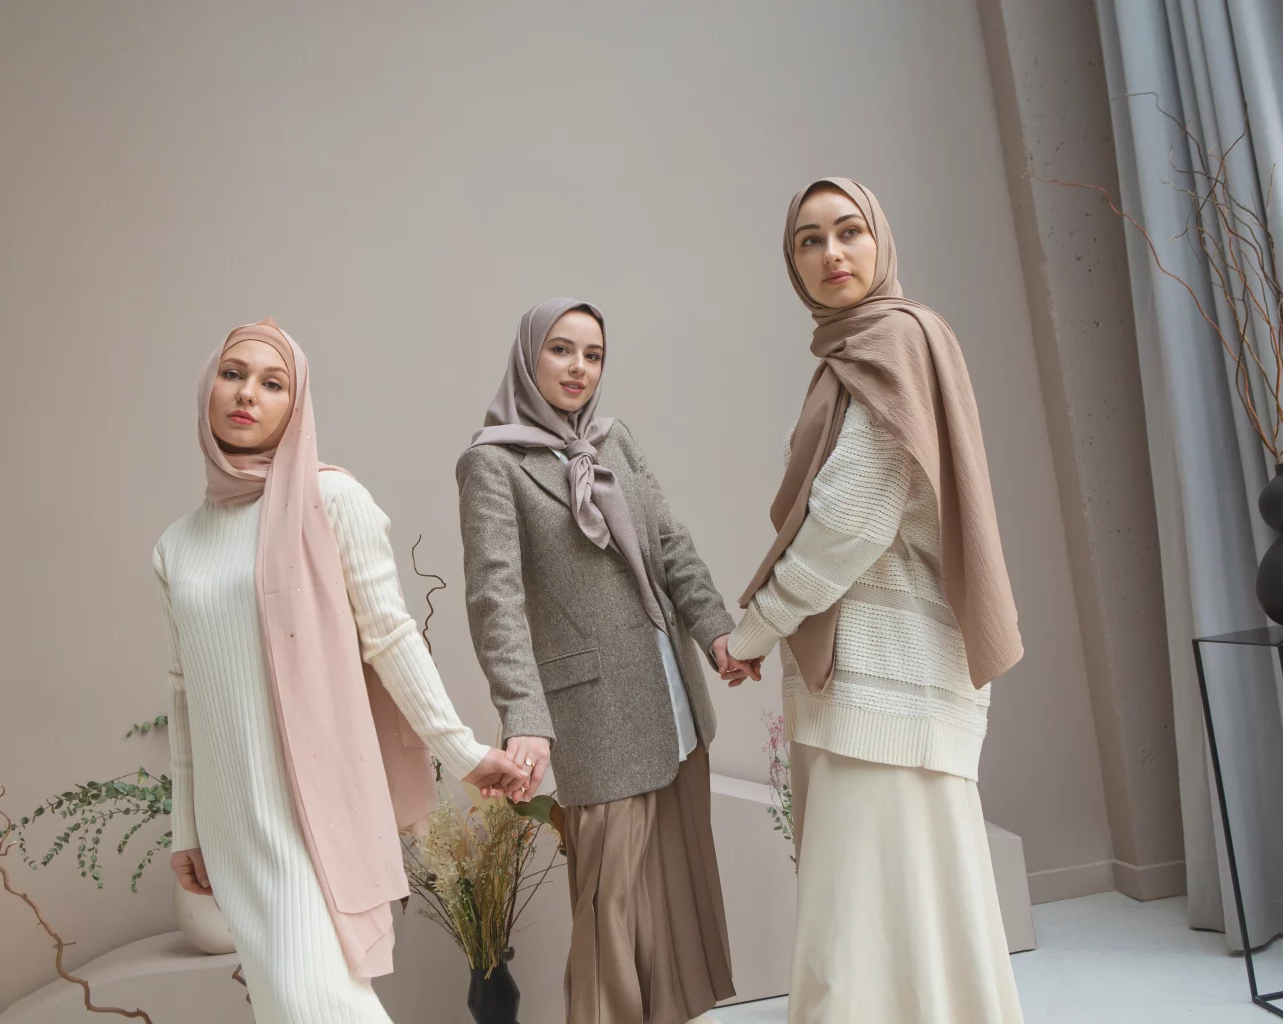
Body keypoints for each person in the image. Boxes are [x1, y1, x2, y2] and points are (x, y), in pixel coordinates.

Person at [154, 318, 524, 1024]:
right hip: (232, 826)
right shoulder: (176, 546)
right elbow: (183, 694)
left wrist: (463, 751)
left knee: (319, 1006)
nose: (248, 393)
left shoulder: (333, 501)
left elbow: (391, 636)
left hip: (311, 812)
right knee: (283, 1009)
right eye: (233, 374)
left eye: (273, 383)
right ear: (208, 389)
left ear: (297, 405)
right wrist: (186, 830)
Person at [726, 179, 1027, 1023]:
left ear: (880, 240)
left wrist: (752, 632)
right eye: (809, 240)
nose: (831, 254)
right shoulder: (866, 349)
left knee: (857, 929)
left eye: (849, 231)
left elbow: (850, 522)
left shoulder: (888, 343)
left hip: (879, 684)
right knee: (919, 917)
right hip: (900, 683)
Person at [456, 298, 755, 1024]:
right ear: (529, 355)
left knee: (675, 897)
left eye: (593, 355)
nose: (579, 368)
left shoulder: (613, 440)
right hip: (594, 711)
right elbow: (495, 603)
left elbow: (670, 545)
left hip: (672, 693)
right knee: (610, 908)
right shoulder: (492, 464)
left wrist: (716, 632)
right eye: (561, 349)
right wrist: (524, 716)